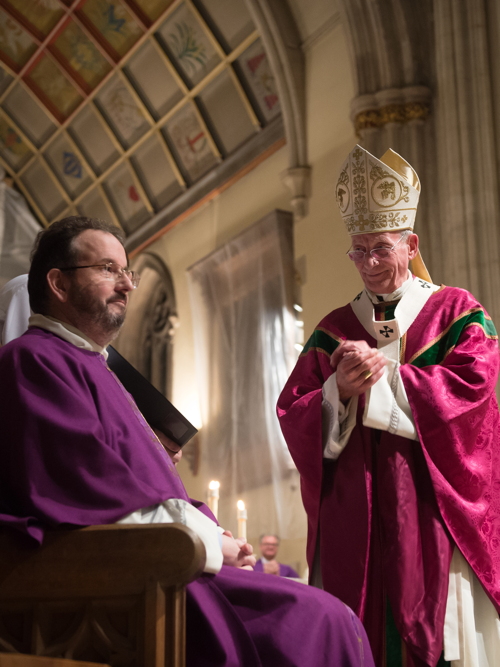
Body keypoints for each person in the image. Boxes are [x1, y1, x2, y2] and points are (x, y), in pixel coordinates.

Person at [0, 216, 375, 667]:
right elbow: (89, 491)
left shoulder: (92, 367)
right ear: (58, 283)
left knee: (326, 616)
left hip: (160, 566)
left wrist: (213, 533)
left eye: (127, 272)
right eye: (107, 269)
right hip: (131, 580)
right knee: (319, 620)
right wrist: (209, 545)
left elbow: (148, 489)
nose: (126, 286)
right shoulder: (33, 361)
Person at [277, 146, 500, 667]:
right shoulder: (334, 328)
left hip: (431, 506)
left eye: (381, 249)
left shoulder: (456, 311)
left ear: (411, 243)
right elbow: (294, 409)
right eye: (359, 252)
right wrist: (339, 394)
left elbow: (475, 392)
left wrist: (383, 380)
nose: (370, 264)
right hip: (359, 513)